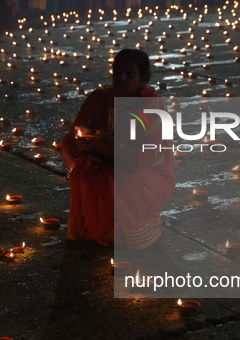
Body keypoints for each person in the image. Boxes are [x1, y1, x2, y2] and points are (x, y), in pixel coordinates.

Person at [60, 48, 175, 250]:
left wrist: (110, 142)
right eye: (117, 72)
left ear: (144, 78)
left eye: (129, 74)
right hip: (105, 168)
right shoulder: (99, 99)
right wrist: (81, 144)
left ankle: (134, 235)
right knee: (81, 174)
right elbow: (72, 144)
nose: (121, 79)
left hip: (147, 174)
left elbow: (145, 158)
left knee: (128, 181)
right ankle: (103, 232)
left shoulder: (154, 107)